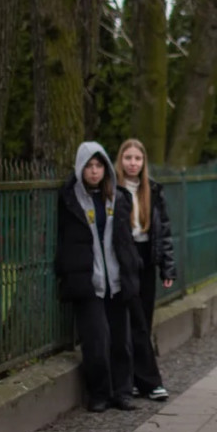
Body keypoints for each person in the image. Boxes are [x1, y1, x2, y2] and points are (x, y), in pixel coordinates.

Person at [55, 142, 141, 413]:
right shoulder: (71, 199)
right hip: (89, 281)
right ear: (81, 168)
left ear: (105, 168)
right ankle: (99, 393)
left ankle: (123, 391)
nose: (94, 172)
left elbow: (124, 239)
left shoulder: (117, 197)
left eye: (98, 166)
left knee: (121, 340)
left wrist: (130, 270)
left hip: (116, 279)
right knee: (96, 341)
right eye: (89, 166)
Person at [115, 139, 176, 402]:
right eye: (127, 158)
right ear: (120, 160)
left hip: (147, 258)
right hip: (124, 260)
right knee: (133, 322)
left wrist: (167, 268)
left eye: (137, 158)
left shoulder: (152, 189)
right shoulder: (114, 189)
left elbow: (163, 230)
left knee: (144, 321)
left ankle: (138, 380)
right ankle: (150, 381)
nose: (132, 163)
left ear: (143, 162)